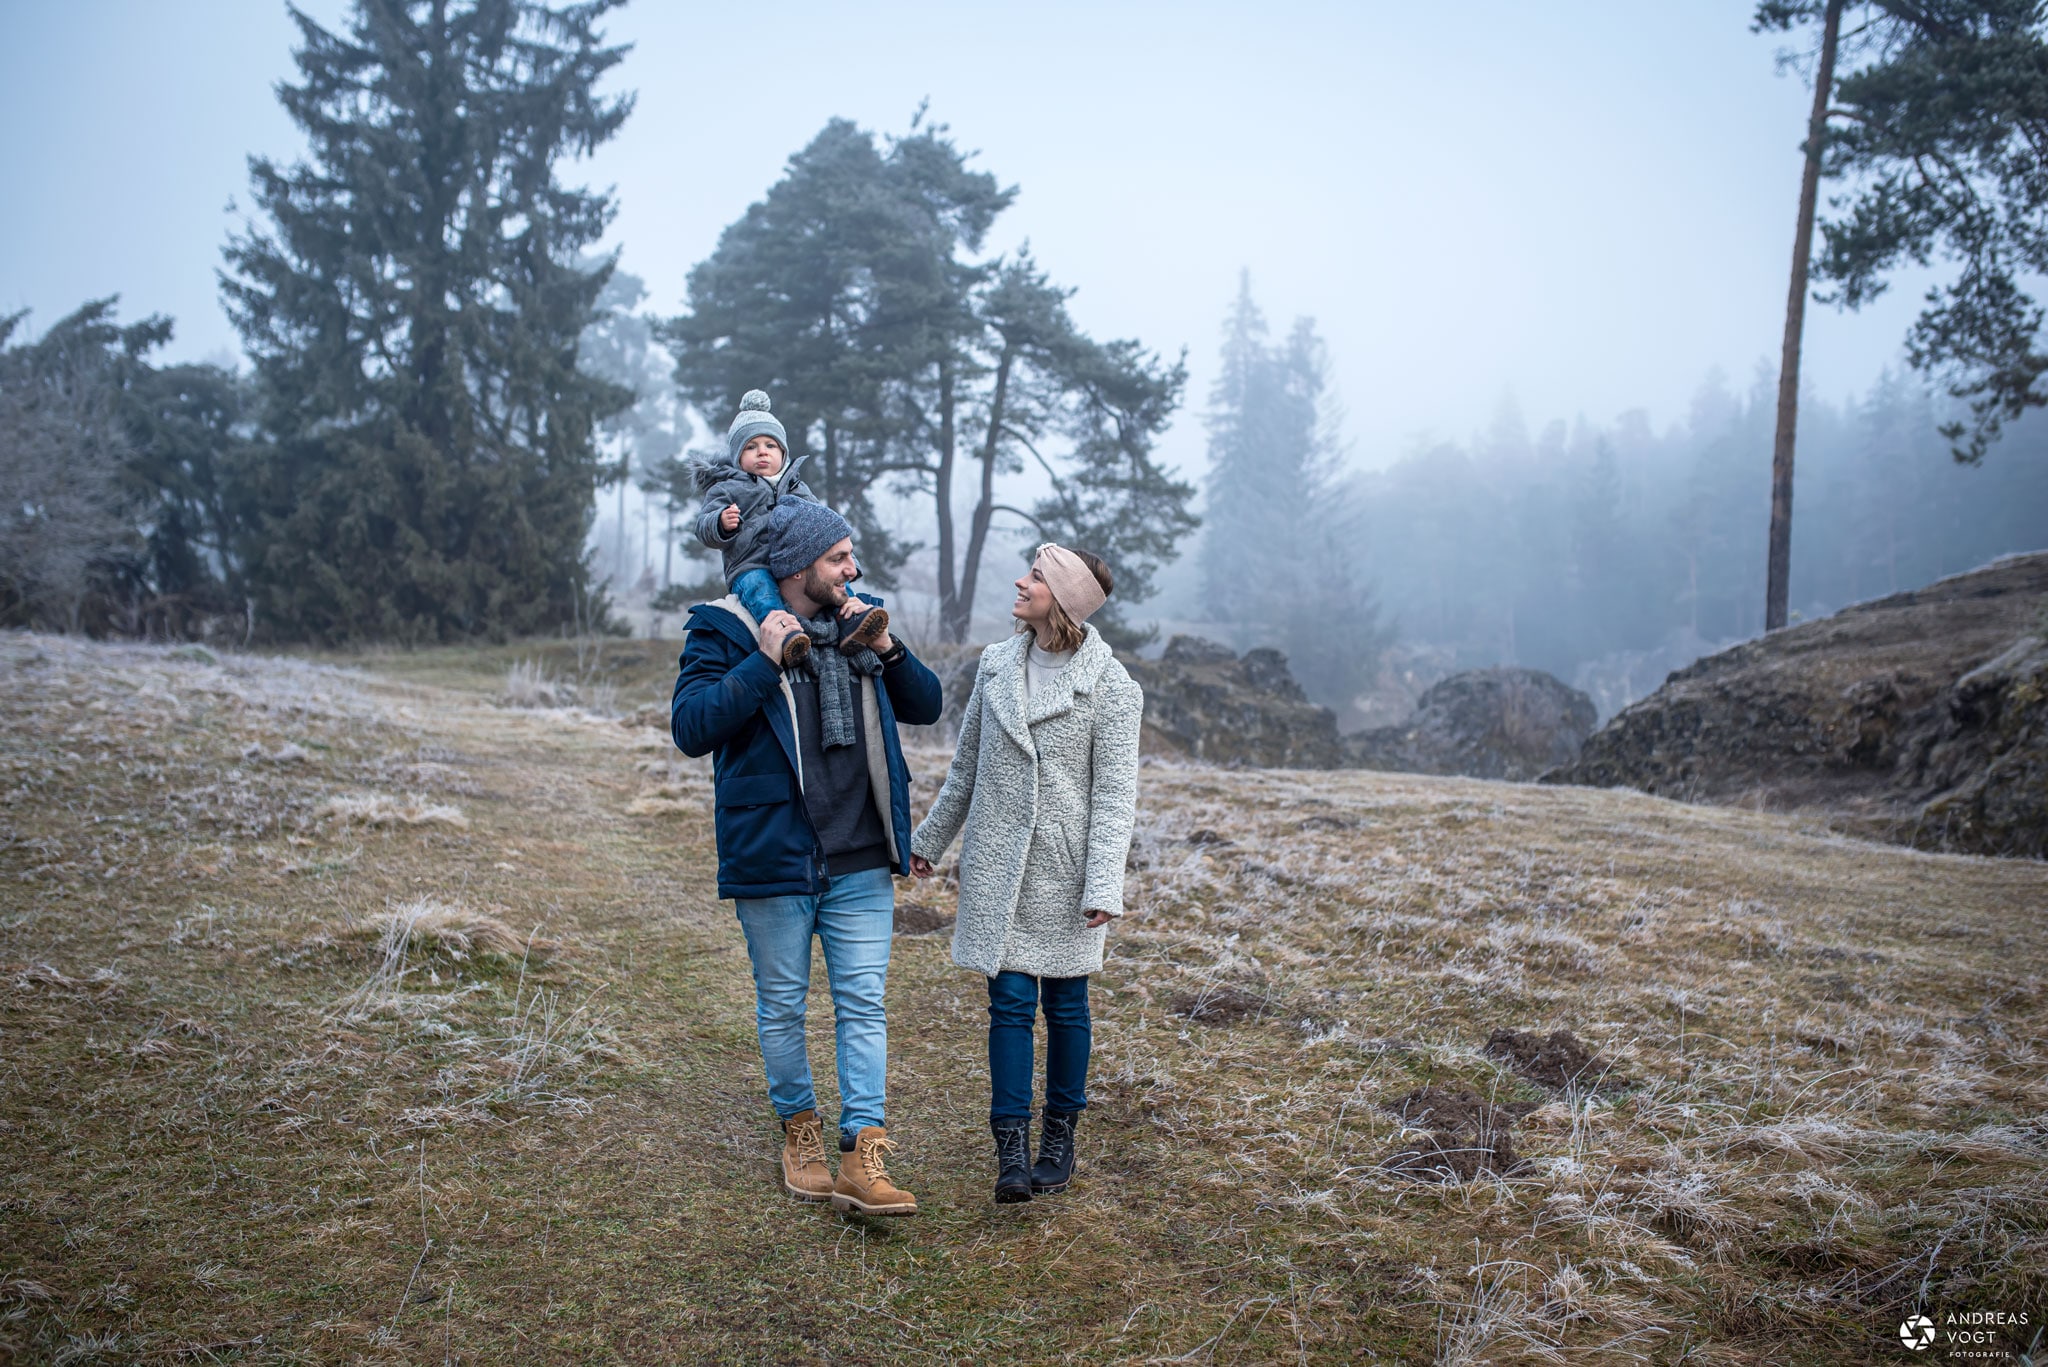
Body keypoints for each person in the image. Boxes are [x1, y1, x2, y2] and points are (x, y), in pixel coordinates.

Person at [672, 498, 943, 1217]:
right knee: (783, 1006)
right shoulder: (722, 627)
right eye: (839, 558)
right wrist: (763, 659)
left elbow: (927, 703)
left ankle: (865, 1154)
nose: (853, 569)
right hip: (775, 855)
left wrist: (886, 649)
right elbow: (692, 726)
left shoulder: (863, 619)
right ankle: (800, 1130)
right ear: (798, 567)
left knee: (863, 1004)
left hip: (860, 856)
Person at [908, 544, 1143, 1203]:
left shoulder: (1113, 688)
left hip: (1065, 875)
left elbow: (1114, 795)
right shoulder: (995, 665)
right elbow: (967, 769)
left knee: (1065, 1005)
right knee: (1009, 1004)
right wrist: (929, 840)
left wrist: (1103, 883)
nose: (1020, 581)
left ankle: (1059, 1139)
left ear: (1063, 598)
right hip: (997, 870)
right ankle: (1010, 1152)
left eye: (1036, 576)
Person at [692, 389, 889, 670]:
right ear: (737, 456)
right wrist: (720, 523)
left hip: (798, 560)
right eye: (751, 447)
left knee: (833, 584)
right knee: (762, 595)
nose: (762, 452)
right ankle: (786, 636)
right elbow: (702, 527)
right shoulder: (727, 488)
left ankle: (855, 623)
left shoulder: (795, 485)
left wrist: (849, 563)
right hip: (750, 563)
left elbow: (827, 528)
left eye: (771, 446)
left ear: (783, 453)